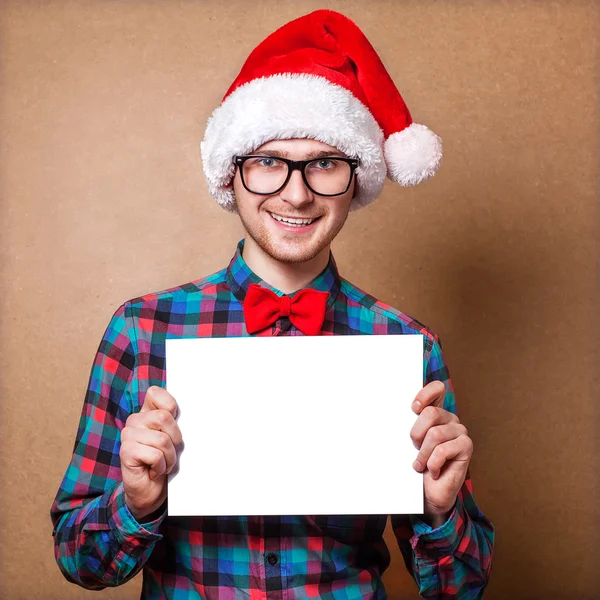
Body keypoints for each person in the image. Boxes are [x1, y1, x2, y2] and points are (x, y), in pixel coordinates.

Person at [50, 8, 494, 599]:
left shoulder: (404, 343)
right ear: (230, 174)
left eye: (324, 164)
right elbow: (80, 562)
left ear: (355, 178)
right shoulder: (142, 330)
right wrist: (135, 502)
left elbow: (461, 589)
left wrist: (439, 512)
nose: (296, 192)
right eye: (267, 162)